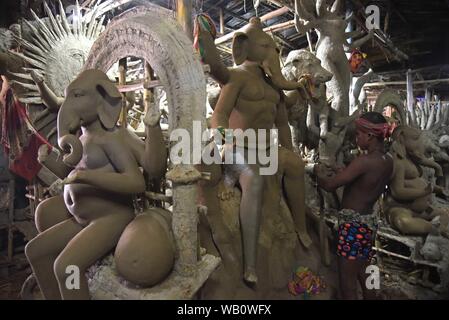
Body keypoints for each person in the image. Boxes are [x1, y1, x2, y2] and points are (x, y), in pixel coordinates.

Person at [314, 112, 393, 299]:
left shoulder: (363, 161)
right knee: (365, 269)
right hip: (367, 225)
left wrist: (316, 172)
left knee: (347, 280)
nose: (356, 137)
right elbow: (363, 181)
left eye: (358, 134)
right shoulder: (387, 161)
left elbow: (330, 185)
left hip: (352, 227)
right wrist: (341, 170)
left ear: (370, 136)